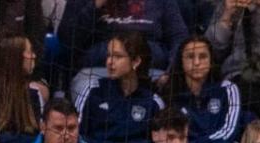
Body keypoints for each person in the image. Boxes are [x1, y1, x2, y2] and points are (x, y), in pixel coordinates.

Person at [57, 0, 187, 100]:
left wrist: (171, 72)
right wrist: (95, 5)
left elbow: (179, 38)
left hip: (151, 73)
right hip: (97, 73)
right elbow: (67, 39)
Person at [76, 32, 165, 143]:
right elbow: (76, 138)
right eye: (108, 55)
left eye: (117, 56)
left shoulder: (153, 102)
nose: (109, 62)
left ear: (136, 61)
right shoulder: (93, 90)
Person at [158, 35, 241, 143]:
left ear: (211, 60)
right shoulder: (170, 96)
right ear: (181, 61)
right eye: (190, 57)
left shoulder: (227, 89)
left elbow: (229, 130)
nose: (196, 63)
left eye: (203, 57)